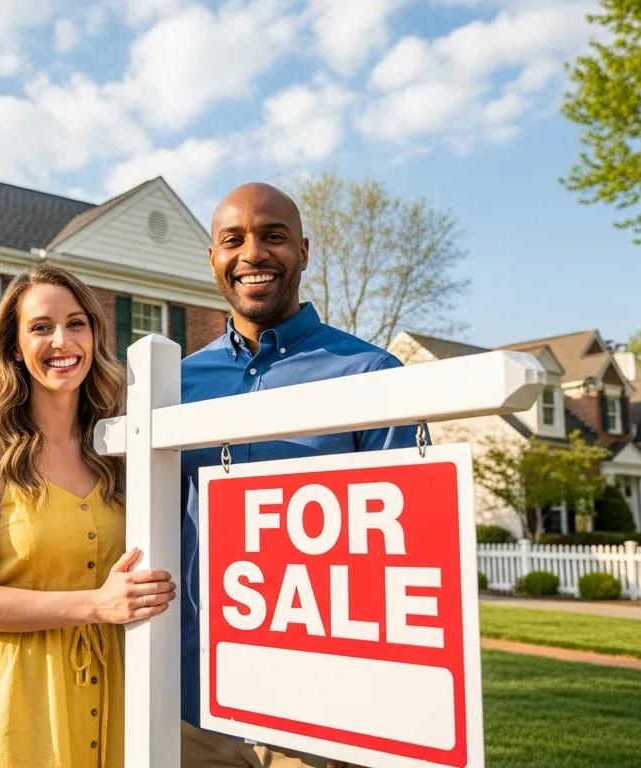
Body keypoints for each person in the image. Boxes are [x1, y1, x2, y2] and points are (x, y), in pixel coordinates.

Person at [179, 183, 419, 767]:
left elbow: (404, 554)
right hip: (193, 702)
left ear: (305, 252)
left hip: (324, 709)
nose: (253, 253)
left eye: (274, 236)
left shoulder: (372, 374)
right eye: (232, 240)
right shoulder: (175, 387)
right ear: (213, 258)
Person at [0, 264, 177, 768]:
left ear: (94, 335)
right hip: (15, 695)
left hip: (113, 687)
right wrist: (96, 605)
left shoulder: (116, 451)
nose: (61, 341)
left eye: (76, 323)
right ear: (14, 348)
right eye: (41, 327)